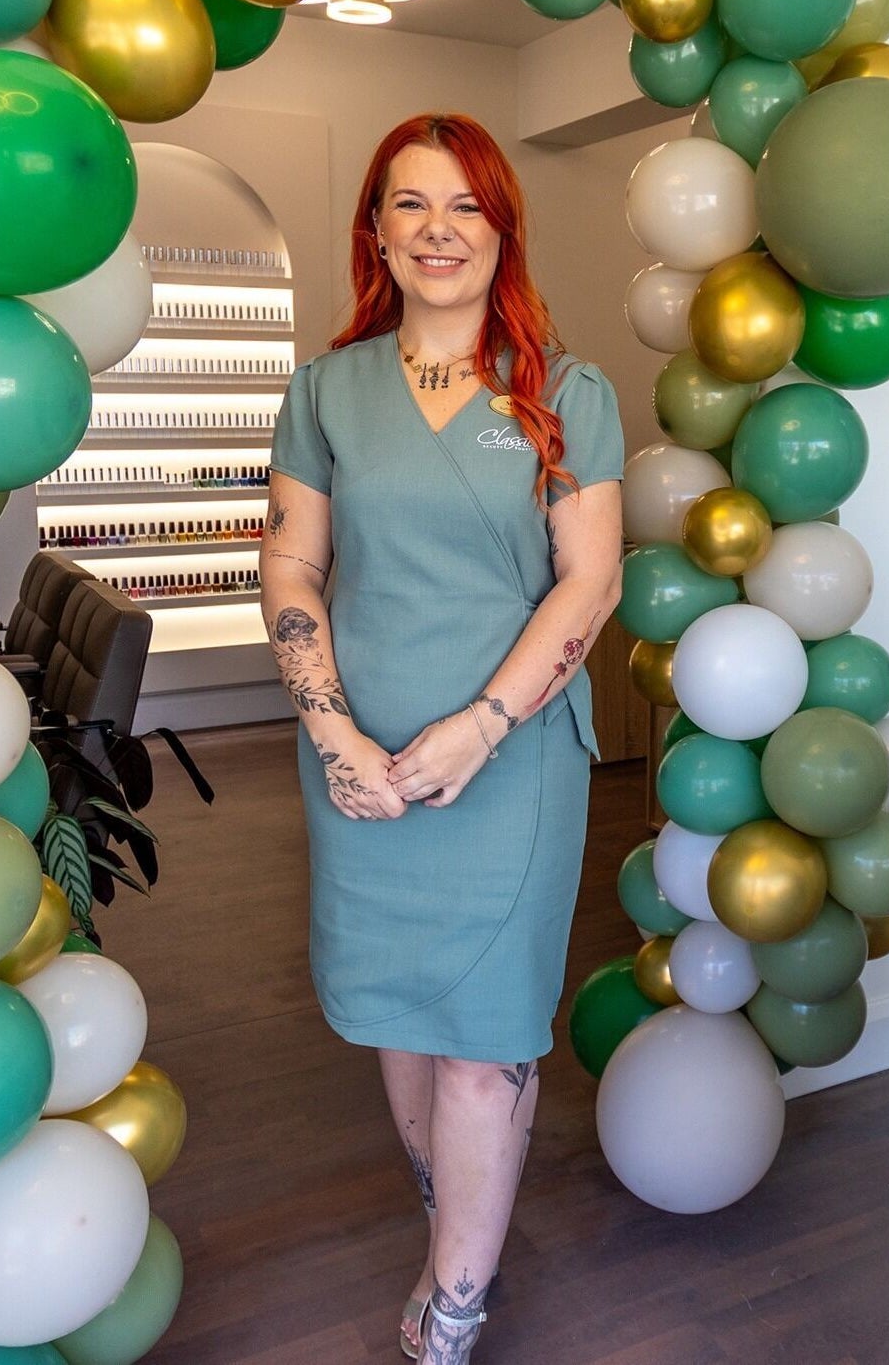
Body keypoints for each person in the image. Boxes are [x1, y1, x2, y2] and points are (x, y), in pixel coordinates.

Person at [260, 113, 623, 1364]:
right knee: (403, 1019)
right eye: (410, 205)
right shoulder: (324, 391)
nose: (437, 230)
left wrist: (481, 724)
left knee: (485, 1036)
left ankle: (455, 1299)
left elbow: (588, 585)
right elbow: (293, 563)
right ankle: (449, 1212)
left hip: (509, 761)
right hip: (357, 759)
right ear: (375, 230)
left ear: (501, 226)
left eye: (465, 205)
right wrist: (329, 730)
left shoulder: (567, 395)